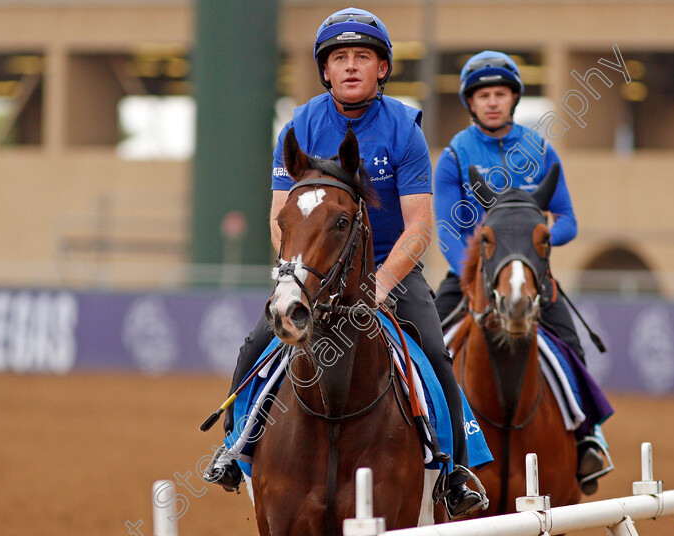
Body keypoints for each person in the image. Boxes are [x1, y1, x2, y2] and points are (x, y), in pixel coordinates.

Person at [203, 7, 485, 518]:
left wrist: (379, 285)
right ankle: (235, 449)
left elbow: (420, 227)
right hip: (311, 273)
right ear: (325, 70)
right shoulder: (300, 125)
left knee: (437, 357)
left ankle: (454, 472)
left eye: (363, 56)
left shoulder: (405, 129)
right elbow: (279, 216)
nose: (351, 65)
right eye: (339, 57)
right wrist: (294, 277)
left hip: (389, 273)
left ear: (382, 68)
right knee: (253, 348)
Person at [432, 50, 612, 493]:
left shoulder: (541, 149)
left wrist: (543, 237)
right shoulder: (454, 156)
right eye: (483, 95)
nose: (492, 101)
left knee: (570, 345)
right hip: (470, 277)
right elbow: (447, 230)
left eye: (500, 93)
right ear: (470, 103)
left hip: (531, 280)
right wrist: (475, 276)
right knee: (427, 345)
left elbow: (567, 219)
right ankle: (426, 441)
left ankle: (589, 438)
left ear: (514, 98)